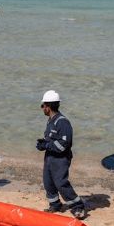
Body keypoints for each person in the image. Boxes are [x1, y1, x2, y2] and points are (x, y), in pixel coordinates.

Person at [36, 90, 86, 219]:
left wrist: (46, 145)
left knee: (61, 183)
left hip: (60, 159)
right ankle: (55, 205)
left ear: (48, 106)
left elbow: (63, 145)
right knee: (48, 182)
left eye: (43, 106)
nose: (42, 109)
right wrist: (43, 144)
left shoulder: (62, 122)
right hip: (50, 157)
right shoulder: (51, 120)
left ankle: (78, 207)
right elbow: (52, 140)